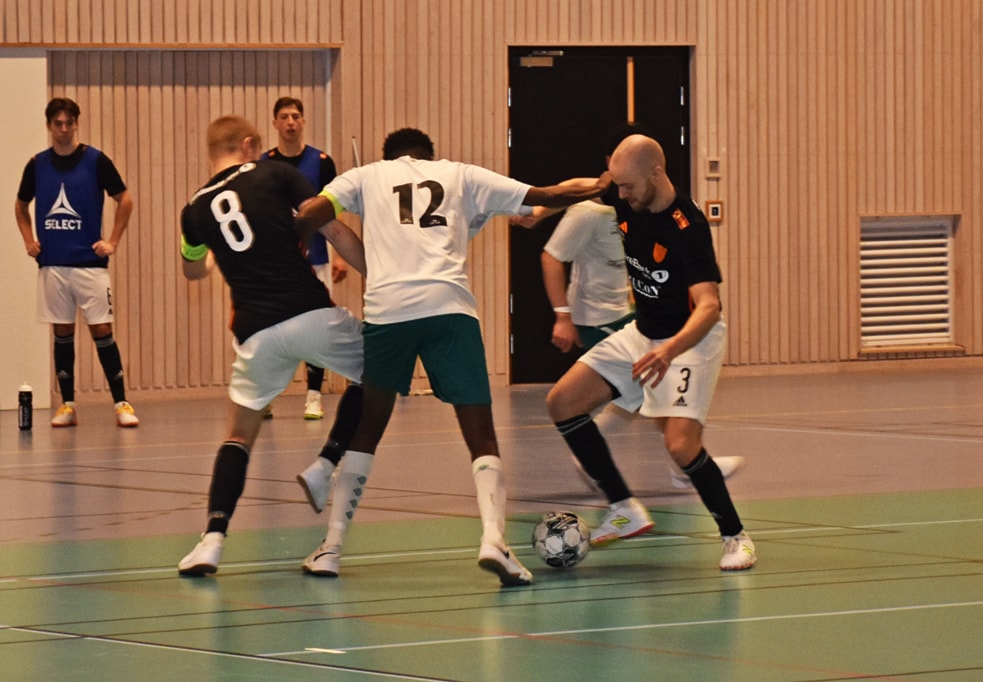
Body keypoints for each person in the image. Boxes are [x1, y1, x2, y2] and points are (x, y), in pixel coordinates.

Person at [294, 127, 611, 586]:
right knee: (479, 432)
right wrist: (603, 184)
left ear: (389, 157)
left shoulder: (365, 176)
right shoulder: (460, 175)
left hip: (389, 312)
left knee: (366, 431)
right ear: (430, 155)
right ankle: (494, 540)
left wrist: (295, 237)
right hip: (450, 309)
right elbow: (548, 194)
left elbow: (312, 212)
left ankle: (331, 548)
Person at [545, 134, 756, 571]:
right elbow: (589, 185)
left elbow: (710, 307)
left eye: (628, 186)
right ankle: (624, 508)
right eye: (618, 186)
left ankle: (736, 536)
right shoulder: (624, 194)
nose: (620, 195)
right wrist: (539, 211)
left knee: (681, 446)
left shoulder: (687, 226)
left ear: (656, 174)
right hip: (642, 333)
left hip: (689, 341)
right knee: (562, 401)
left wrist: (668, 352)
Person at [176, 115, 369, 577]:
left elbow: (192, 271)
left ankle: (211, 541)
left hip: (255, 333)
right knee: (383, 366)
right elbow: (332, 231)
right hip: (309, 312)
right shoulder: (277, 172)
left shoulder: (194, 210)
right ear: (248, 145)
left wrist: (216, 252)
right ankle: (325, 462)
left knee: (238, 436)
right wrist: (380, 274)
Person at [14, 97, 139, 428]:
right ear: (49, 126)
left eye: (69, 123)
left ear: (76, 124)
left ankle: (122, 403)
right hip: (53, 265)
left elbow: (125, 199)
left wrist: (112, 241)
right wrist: (28, 240)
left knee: (102, 330)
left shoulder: (95, 160)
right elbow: (20, 205)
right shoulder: (37, 164)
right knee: (62, 331)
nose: (64, 129)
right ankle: (67, 405)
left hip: (90, 264)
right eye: (58, 123)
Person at [260, 96, 354, 421]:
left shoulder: (322, 162)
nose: (290, 122)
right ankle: (265, 395)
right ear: (275, 123)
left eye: (296, 116)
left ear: (303, 121)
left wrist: (339, 254)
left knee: (317, 327)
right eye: (284, 116)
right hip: (277, 260)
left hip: (316, 257)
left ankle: (314, 396)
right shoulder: (264, 164)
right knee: (271, 327)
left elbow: (333, 210)